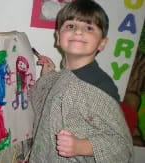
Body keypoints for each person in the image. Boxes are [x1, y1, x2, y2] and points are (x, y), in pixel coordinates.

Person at [28, 0, 134, 162]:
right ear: (58, 37)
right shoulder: (67, 75)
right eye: (71, 26)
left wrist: (82, 146)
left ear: (102, 43)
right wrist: (47, 76)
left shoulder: (99, 88)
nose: (78, 32)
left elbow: (122, 148)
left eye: (89, 28)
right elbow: (53, 100)